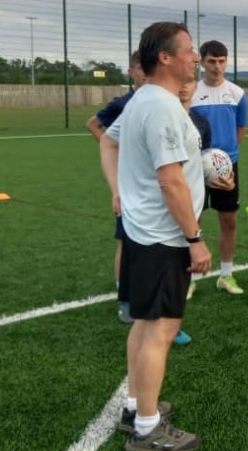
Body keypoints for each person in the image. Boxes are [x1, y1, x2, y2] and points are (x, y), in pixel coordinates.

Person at [100, 21, 209, 450]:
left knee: (145, 324)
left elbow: (108, 144)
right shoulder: (161, 105)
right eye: (188, 49)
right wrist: (195, 237)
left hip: (143, 232)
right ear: (165, 57)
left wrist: (120, 192)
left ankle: (135, 406)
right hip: (164, 237)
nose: (195, 57)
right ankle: (147, 429)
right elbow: (170, 181)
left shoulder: (142, 99)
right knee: (161, 329)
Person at [86, 50, 145, 323]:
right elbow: (94, 124)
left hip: (151, 184)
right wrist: (115, 148)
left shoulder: (162, 101)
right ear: (131, 71)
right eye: (140, 68)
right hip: (127, 183)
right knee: (126, 239)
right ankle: (124, 298)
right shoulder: (123, 104)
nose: (145, 72)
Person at [190, 40, 248, 296]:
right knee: (193, 222)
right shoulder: (190, 91)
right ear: (202, 62)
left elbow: (240, 130)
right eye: (211, 61)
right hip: (194, 166)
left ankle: (226, 275)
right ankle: (188, 278)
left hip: (227, 168)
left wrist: (224, 160)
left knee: (229, 221)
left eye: (221, 61)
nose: (217, 66)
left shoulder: (237, 94)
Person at [180, 80, 235, 301]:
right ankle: (184, 282)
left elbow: (205, 159)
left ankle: (188, 281)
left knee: (191, 229)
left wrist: (219, 176)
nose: (183, 86)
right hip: (168, 189)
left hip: (193, 188)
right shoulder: (163, 116)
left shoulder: (200, 122)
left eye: (189, 81)